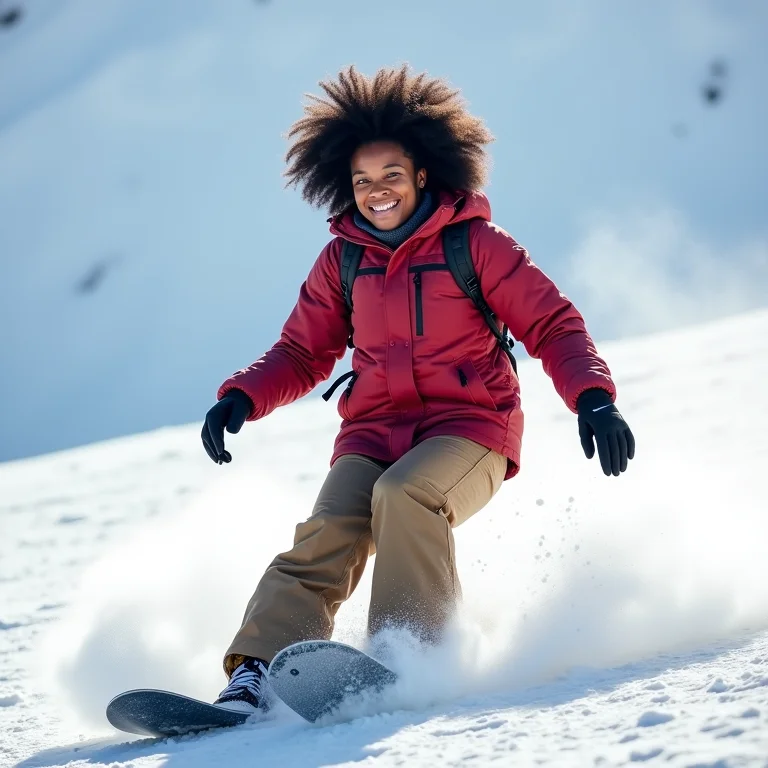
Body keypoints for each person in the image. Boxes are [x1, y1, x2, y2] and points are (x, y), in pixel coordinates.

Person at [201, 65, 635, 713]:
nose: (377, 192)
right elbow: (302, 349)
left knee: (404, 495)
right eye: (362, 181)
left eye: (391, 176)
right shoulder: (343, 259)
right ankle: (256, 672)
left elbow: (552, 322)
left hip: (472, 430)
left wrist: (592, 397)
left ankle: (410, 656)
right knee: (328, 529)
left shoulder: (477, 245)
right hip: (374, 429)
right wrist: (241, 396)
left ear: (423, 175)